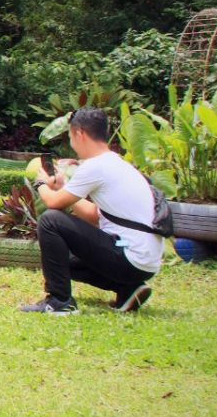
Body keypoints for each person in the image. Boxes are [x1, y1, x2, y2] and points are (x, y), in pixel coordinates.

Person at [21, 107, 160, 315]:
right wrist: (62, 187)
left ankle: (59, 301)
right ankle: (128, 288)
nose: (71, 143)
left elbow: (53, 204)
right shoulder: (117, 164)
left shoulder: (95, 166)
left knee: (50, 220)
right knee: (65, 263)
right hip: (143, 260)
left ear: (79, 134)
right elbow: (94, 215)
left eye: (70, 136)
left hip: (128, 255)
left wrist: (40, 183)